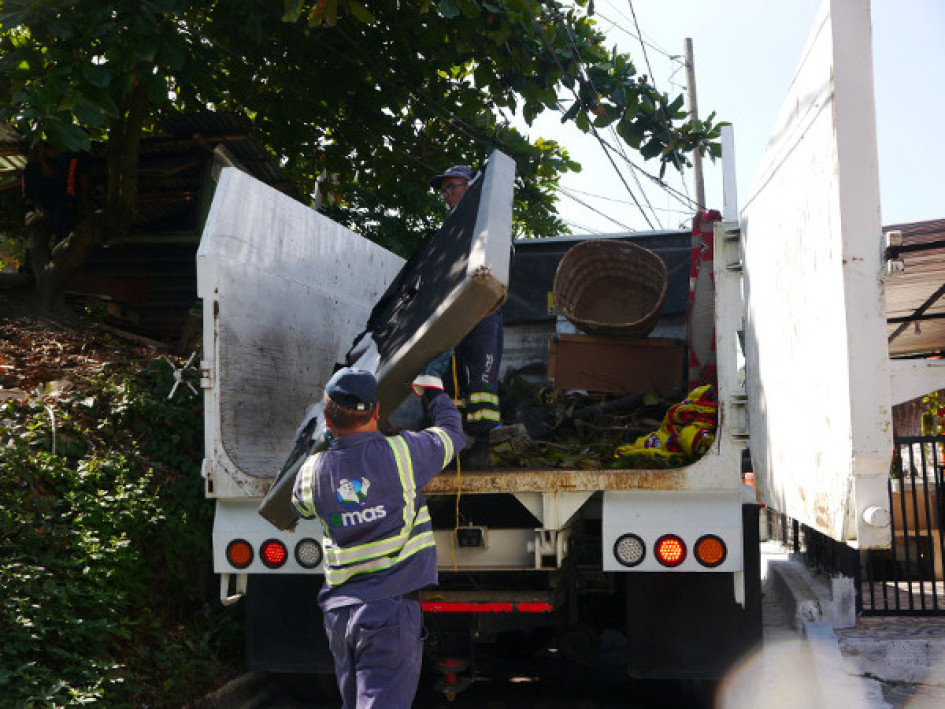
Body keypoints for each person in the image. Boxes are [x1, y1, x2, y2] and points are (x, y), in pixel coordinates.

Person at [291, 354, 464, 709]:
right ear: (377, 412)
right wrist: (434, 393)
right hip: (389, 611)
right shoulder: (405, 453)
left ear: (326, 418)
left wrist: (330, 443)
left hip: (341, 615)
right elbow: (451, 434)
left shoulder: (312, 471)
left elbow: (299, 505)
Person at [428, 164, 505, 468]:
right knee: (452, 374)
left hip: (482, 309)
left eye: (452, 187)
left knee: (482, 375)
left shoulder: (487, 221)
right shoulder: (450, 228)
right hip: (452, 311)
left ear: (470, 188)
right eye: (444, 190)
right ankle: (456, 438)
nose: (446, 195)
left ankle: (485, 441)